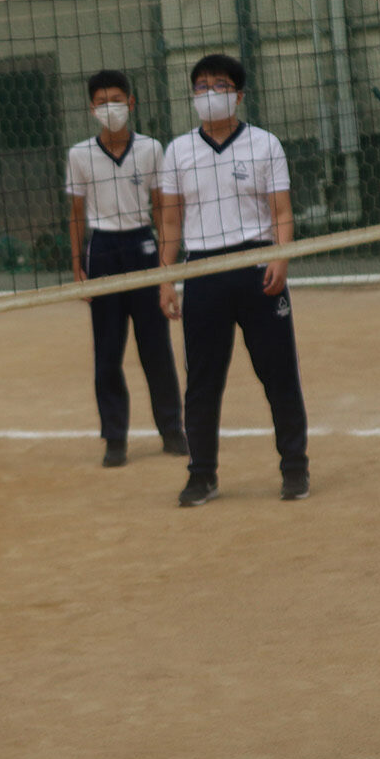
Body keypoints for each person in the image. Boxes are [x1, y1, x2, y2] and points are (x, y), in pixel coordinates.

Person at [156, 54, 309, 506]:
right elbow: (168, 223)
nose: (209, 94)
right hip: (202, 270)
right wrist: (166, 279)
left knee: (279, 373)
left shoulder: (265, 143)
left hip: (257, 264)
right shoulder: (177, 151)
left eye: (219, 85)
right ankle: (201, 475)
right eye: (201, 87)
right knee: (202, 380)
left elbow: (282, 212)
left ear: (239, 94)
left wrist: (280, 259)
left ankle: (295, 468)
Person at [65, 69, 187, 467]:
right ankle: (115, 438)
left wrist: (166, 269)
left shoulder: (152, 148)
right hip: (102, 250)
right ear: (91, 108)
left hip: (143, 244)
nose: (109, 107)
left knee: (156, 348)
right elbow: (76, 214)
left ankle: (172, 430)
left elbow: (161, 208)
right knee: (108, 351)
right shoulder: (79, 154)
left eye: (117, 99)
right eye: (101, 102)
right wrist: (77, 268)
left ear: (132, 103)